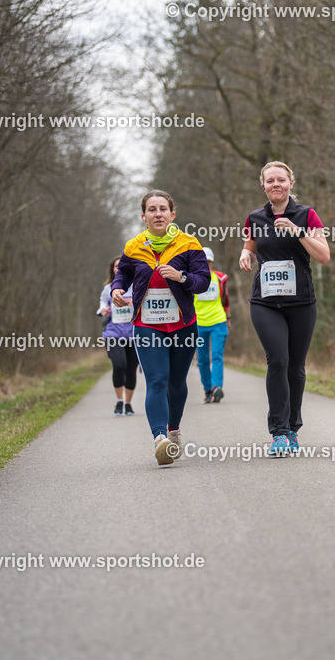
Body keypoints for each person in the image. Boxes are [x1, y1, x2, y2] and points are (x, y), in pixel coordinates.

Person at [112, 190, 210, 466]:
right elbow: (123, 273)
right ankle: (159, 439)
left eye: (163, 209)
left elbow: (203, 281)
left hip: (182, 324)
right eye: (152, 210)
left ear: (172, 214)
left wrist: (182, 276)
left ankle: (173, 430)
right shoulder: (134, 246)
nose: (158, 214)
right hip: (146, 324)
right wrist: (118, 288)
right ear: (143, 216)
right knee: (156, 380)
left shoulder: (188, 244)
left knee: (177, 382)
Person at [239, 161, 330, 457]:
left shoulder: (307, 215)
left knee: (296, 367)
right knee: (277, 359)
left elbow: (324, 256)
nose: (275, 184)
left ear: (291, 183)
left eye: (281, 179)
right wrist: (245, 254)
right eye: (270, 180)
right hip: (265, 302)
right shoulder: (254, 217)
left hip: (301, 302)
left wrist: (297, 231)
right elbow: (250, 245)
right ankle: (278, 432)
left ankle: (293, 427)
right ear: (262, 185)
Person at [98, 257, 138, 416]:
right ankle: (119, 401)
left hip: (134, 335)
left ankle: (128, 404)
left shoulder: (136, 286)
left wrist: (133, 303)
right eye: (116, 266)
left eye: (122, 266)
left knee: (131, 369)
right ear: (113, 269)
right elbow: (102, 303)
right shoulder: (109, 288)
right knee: (119, 364)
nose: (119, 268)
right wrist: (103, 310)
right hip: (113, 334)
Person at [194, 246, 230, 403]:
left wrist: (228, 319)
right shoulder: (192, 280)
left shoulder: (220, 278)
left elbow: (226, 300)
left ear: (212, 262)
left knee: (216, 356)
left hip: (218, 322)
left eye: (208, 262)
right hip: (198, 324)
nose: (205, 265)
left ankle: (216, 387)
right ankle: (208, 389)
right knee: (202, 359)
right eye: (203, 262)